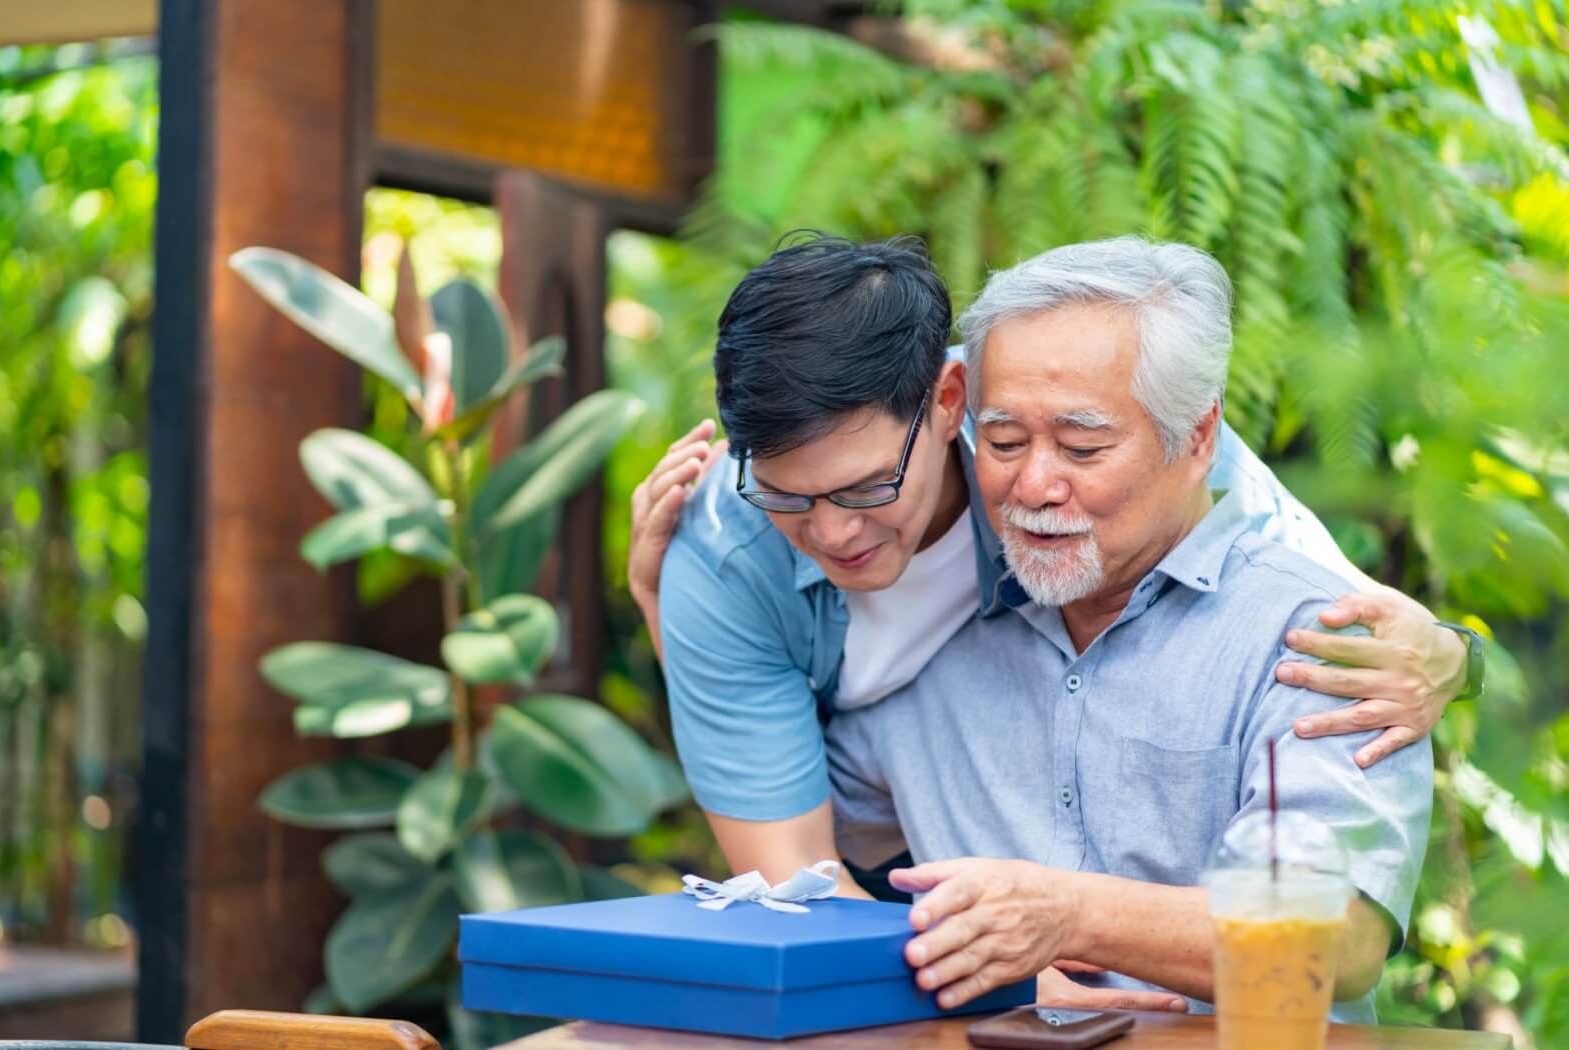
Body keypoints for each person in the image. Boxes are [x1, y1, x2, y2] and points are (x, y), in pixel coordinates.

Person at [628, 236, 1469, 1004]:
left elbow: (1341, 939)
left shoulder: (1295, 625)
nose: (1035, 485)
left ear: (945, 404)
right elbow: (798, 865)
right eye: (1007, 444)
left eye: (1081, 448)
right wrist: (674, 621)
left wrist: (1452, 654)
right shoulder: (817, 612)